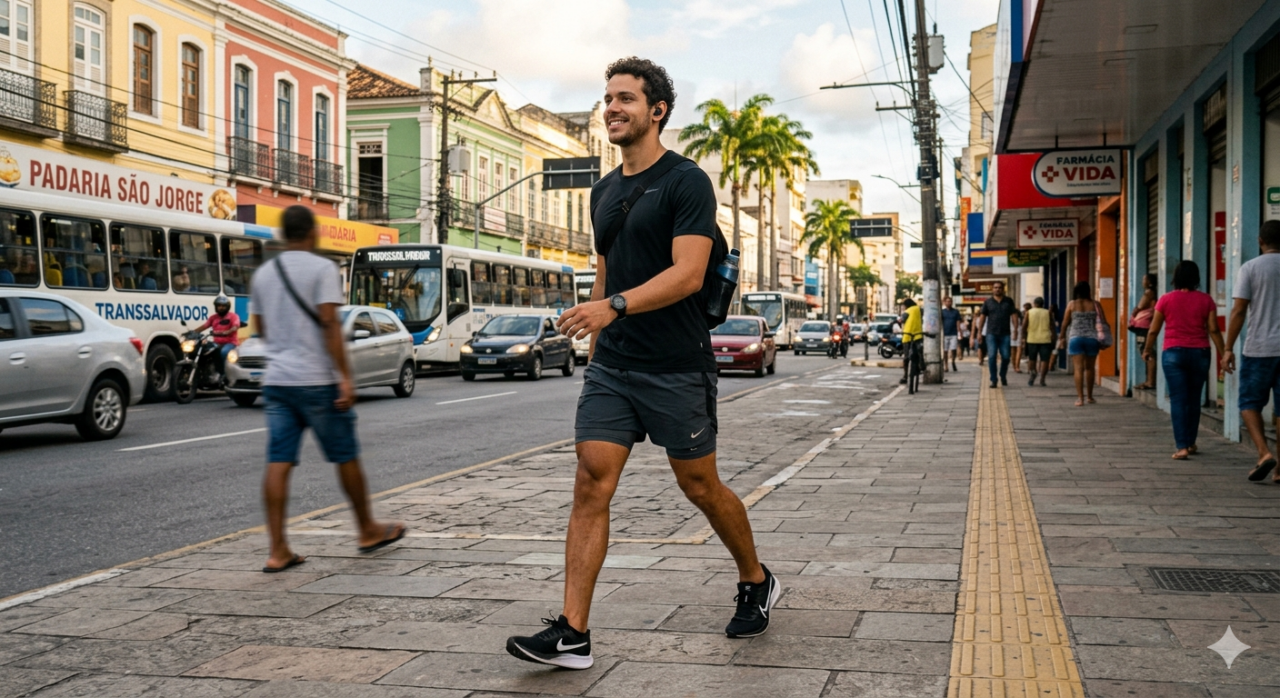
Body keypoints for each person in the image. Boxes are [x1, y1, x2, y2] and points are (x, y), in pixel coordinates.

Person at [507, 57, 774, 671]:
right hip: (615, 368)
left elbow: (689, 274)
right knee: (590, 482)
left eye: (625, 98)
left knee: (699, 486)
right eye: (607, 99)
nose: (612, 108)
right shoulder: (604, 191)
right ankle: (573, 632)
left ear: (657, 111)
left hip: (676, 364)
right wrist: (599, 342)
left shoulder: (687, 182)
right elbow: (607, 269)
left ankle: (755, 579)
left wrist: (613, 308)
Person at [249, 205, 405, 575]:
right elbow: (331, 326)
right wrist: (344, 377)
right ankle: (367, 529)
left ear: (285, 235)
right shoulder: (322, 269)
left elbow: (261, 327)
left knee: (278, 462)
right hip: (317, 380)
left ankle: (277, 549)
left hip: (278, 382)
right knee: (345, 455)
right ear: (313, 233)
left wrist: (285, 349)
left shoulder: (265, 274)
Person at [1144, 260, 1226, 459]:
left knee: (1178, 400)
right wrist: (1225, 353)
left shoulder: (1165, 300)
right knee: (1194, 399)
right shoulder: (1206, 300)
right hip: (1199, 353)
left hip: (1173, 354)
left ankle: (1181, 447)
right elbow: (1214, 330)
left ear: (1175, 278)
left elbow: (1154, 329)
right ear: (1196, 278)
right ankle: (1190, 442)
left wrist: (1147, 349)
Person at [1222, 219, 1280, 480]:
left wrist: (1227, 348)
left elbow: (1238, 310)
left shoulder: (1250, 268)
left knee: (1248, 402)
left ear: (1260, 241)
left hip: (1258, 349)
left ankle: (1263, 452)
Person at [1059, 281, 1108, 406]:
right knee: (1090, 368)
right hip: (1092, 339)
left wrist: (1061, 337)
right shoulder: (1095, 304)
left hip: (1076, 339)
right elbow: (1103, 322)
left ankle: (1080, 399)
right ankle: (1090, 397)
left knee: (1078, 369)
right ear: (1088, 291)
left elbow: (1065, 323)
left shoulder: (1072, 304)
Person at [974, 281, 1019, 388]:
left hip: (1005, 334)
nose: (997, 289)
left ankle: (1003, 375)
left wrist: (1016, 330)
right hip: (991, 334)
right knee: (992, 356)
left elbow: (1014, 315)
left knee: (1006, 357)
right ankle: (993, 379)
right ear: (992, 289)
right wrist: (979, 332)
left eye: (999, 287)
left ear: (1003, 289)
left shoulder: (1008, 301)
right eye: (995, 287)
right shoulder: (988, 302)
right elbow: (982, 318)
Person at [194, 295, 241, 382]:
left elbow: (236, 326)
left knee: (223, 353)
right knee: (206, 351)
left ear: (227, 307)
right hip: (217, 343)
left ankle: (223, 374)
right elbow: (205, 326)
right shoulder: (213, 317)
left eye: (223, 306)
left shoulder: (233, 316)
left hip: (230, 343)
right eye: (219, 306)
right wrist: (193, 332)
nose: (221, 308)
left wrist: (228, 331)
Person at [1132, 273, 1159, 390]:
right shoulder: (1151, 293)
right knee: (1147, 352)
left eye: (1144, 279)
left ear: (1149, 282)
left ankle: (1150, 381)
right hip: (1145, 326)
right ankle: (1149, 380)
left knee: (1148, 353)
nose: (1142, 282)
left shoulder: (1149, 293)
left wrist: (1135, 311)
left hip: (1144, 326)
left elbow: (1140, 306)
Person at [1024, 297, 1054, 386]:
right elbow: (1052, 326)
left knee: (1032, 359)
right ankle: (1042, 379)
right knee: (1045, 360)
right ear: (1043, 304)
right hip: (1045, 339)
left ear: (1034, 303)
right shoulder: (1048, 312)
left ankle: (1033, 374)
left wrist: (1023, 338)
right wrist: (1054, 338)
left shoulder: (1029, 312)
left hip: (1032, 339)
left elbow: (1024, 326)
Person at [899, 298, 923, 384]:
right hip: (918, 335)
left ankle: (905, 376)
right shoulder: (919, 309)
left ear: (907, 305)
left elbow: (901, 320)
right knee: (920, 351)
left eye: (904, 305)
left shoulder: (907, 311)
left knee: (906, 357)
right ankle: (921, 365)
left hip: (907, 336)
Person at [941, 296, 961, 372]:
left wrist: (959, 331)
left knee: (953, 349)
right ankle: (946, 365)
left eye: (950, 301)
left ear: (952, 302)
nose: (948, 303)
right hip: (945, 334)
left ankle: (953, 361)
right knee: (945, 350)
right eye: (947, 301)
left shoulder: (956, 312)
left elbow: (958, 321)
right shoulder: (942, 312)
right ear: (944, 302)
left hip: (954, 333)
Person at [1010, 303, 1028, 373]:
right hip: (1018, 333)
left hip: (1012, 333)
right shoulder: (1020, 316)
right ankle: (1017, 366)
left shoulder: (1009, 316)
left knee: (1014, 350)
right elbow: (1023, 326)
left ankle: (1015, 366)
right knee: (1018, 350)